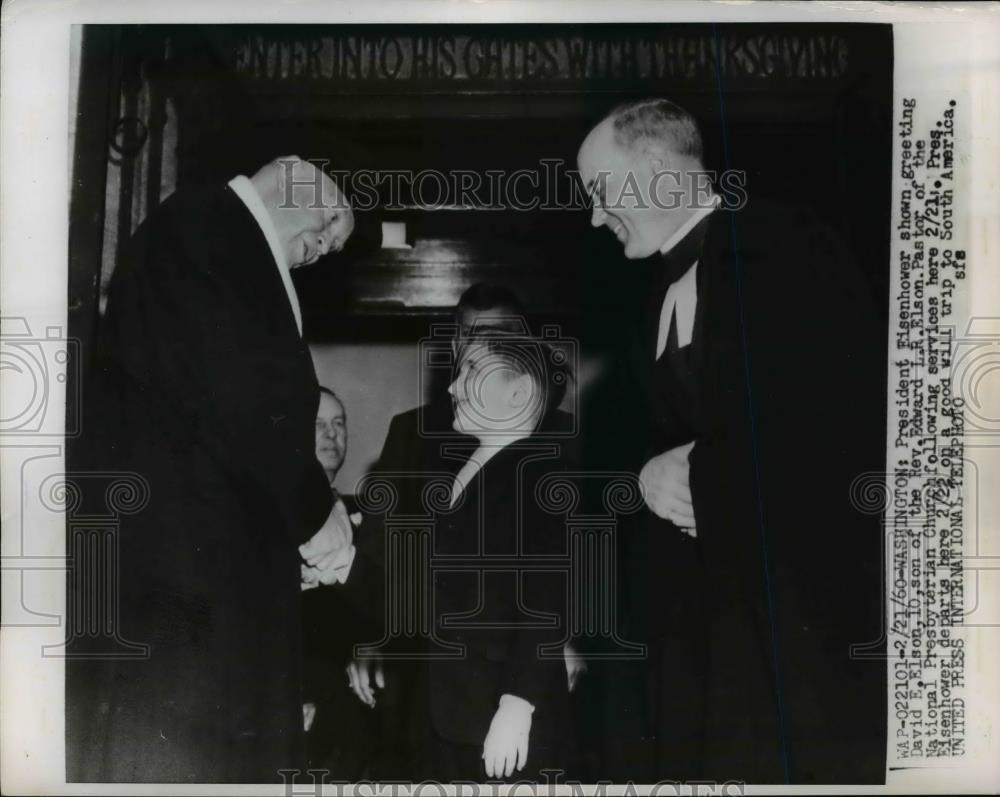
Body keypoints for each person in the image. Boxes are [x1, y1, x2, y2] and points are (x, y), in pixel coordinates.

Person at [576, 99, 886, 783]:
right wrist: (648, 475)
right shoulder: (642, 298)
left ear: (656, 171)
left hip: (787, 634)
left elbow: (845, 427)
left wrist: (702, 478)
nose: (595, 217)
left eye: (600, 193)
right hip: (692, 638)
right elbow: (641, 452)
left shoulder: (791, 243)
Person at [73, 155, 358, 782]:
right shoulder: (209, 229)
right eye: (328, 231)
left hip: (195, 590)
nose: (321, 252)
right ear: (297, 188)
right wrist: (315, 514)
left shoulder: (205, 235)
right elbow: (246, 396)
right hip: (185, 601)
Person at [346, 330, 576, 781]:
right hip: (443, 721)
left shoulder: (541, 475)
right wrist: (344, 567)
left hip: (499, 728)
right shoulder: (460, 476)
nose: (451, 386)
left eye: (471, 369)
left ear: (519, 392)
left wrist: (517, 703)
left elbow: (547, 597)